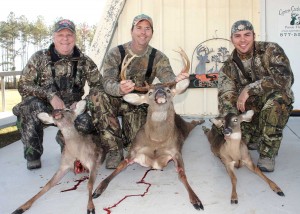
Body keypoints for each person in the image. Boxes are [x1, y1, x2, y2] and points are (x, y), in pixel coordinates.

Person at [87, 14, 189, 169]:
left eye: (147, 28)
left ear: (152, 33)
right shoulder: (116, 53)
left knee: (136, 143)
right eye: (139, 28)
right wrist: (119, 88)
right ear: (132, 31)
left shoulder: (158, 57)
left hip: (137, 103)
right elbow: (106, 82)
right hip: (115, 99)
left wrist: (177, 79)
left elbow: (167, 78)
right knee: (96, 96)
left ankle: (119, 140)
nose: (143, 32)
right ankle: (114, 150)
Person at [13, 19, 104, 170]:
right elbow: (23, 85)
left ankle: (64, 141)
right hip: (45, 109)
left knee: (86, 122)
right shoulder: (39, 58)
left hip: (70, 112)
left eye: (69, 34)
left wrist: (84, 102)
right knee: (29, 106)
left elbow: (99, 86)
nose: (65, 38)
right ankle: (33, 154)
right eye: (60, 34)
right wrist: (50, 96)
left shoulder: (84, 61)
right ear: (54, 37)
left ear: (75, 37)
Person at [217, 20, 294, 172]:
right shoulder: (227, 67)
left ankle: (267, 154)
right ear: (231, 39)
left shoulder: (271, 50)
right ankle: (255, 137)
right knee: (235, 139)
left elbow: (285, 79)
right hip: (249, 112)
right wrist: (228, 125)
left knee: (278, 101)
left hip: (271, 104)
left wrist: (249, 89)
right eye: (237, 36)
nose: (243, 40)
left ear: (254, 35)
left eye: (247, 34)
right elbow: (226, 98)